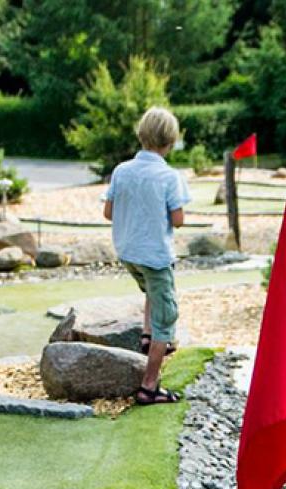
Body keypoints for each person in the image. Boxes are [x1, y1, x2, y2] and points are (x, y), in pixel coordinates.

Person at [102, 107, 190, 405]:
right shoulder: (169, 176)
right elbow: (177, 220)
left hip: (128, 254)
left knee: (151, 290)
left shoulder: (121, 170)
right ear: (170, 141)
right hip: (154, 256)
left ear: (142, 134)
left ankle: (146, 334)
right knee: (168, 316)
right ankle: (149, 386)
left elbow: (108, 212)